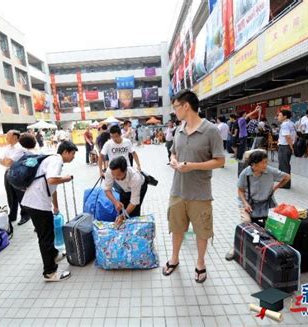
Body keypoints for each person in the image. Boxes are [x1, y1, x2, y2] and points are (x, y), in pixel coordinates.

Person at [163, 90, 225, 284]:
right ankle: (174, 259)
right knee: (177, 228)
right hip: (178, 191)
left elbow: (220, 161)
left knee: (202, 230)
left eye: (176, 107)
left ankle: (200, 263)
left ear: (186, 106)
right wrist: (174, 162)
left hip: (200, 193)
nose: (175, 112)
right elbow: (173, 153)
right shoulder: (179, 130)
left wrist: (193, 166)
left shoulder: (210, 130)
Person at [21, 141, 78, 282]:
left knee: (47, 233)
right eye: (73, 154)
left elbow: (51, 187)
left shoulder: (51, 159)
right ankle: (50, 272)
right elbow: (52, 180)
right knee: (45, 237)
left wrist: (56, 206)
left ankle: (53, 254)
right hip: (37, 204)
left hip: (34, 202)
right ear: (65, 152)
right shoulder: (56, 160)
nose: (73, 157)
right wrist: (68, 178)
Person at [225, 149, 290, 260]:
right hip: (248, 202)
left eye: (266, 161)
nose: (266, 164)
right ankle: (235, 247)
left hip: (267, 202)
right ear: (254, 165)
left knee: (278, 222)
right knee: (246, 222)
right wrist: (245, 204)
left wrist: (275, 188)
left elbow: (287, 177)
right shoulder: (245, 173)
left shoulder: (270, 171)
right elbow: (240, 190)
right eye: (263, 162)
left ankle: (273, 250)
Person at [104, 156, 148, 226]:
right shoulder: (110, 171)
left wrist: (123, 216)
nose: (115, 178)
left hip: (140, 187)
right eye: (113, 175)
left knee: (133, 213)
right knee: (122, 208)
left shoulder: (135, 178)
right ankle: (122, 231)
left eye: (118, 175)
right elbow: (107, 190)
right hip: (124, 188)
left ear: (125, 171)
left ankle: (134, 231)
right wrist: (115, 202)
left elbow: (134, 202)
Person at [0, 130, 30, 228]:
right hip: (7, 173)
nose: (6, 137)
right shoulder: (7, 148)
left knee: (21, 195)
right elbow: (1, 160)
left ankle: (25, 215)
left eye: (8, 136)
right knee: (10, 195)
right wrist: (6, 162)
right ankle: (12, 215)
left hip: (18, 174)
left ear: (15, 137)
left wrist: (6, 161)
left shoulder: (20, 148)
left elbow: (9, 162)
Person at [277, 110, 296, 189]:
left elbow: (287, 136)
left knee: (283, 166)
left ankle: (285, 184)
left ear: (285, 116)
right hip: (286, 146)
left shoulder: (285, 124)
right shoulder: (291, 123)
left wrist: (292, 147)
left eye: (279, 115)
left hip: (284, 146)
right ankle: (284, 182)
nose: (278, 117)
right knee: (286, 165)